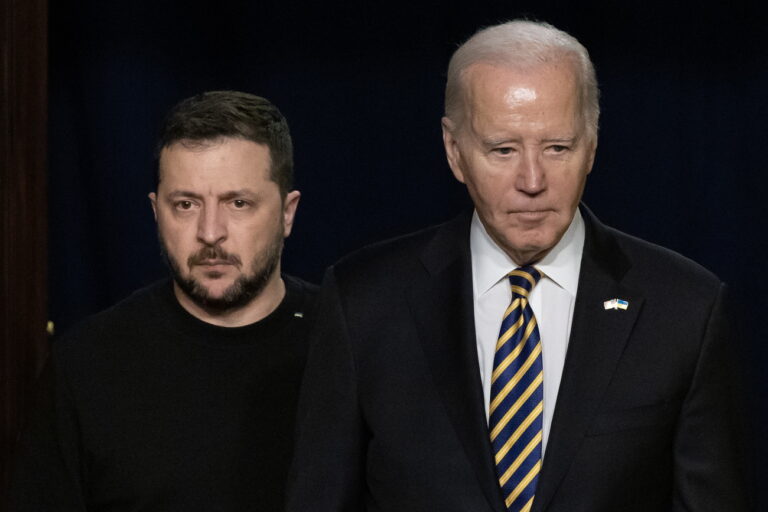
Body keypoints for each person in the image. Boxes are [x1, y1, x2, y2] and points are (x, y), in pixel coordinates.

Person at [286, 21, 748, 511]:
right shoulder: (364, 302)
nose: (532, 180)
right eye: (503, 149)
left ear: (591, 145)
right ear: (454, 151)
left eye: (557, 148)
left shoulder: (683, 310)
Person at [10, 91, 317, 511]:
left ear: (287, 212)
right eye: (186, 204)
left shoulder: (345, 345)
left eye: (238, 203)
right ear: (156, 212)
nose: (211, 232)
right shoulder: (88, 364)